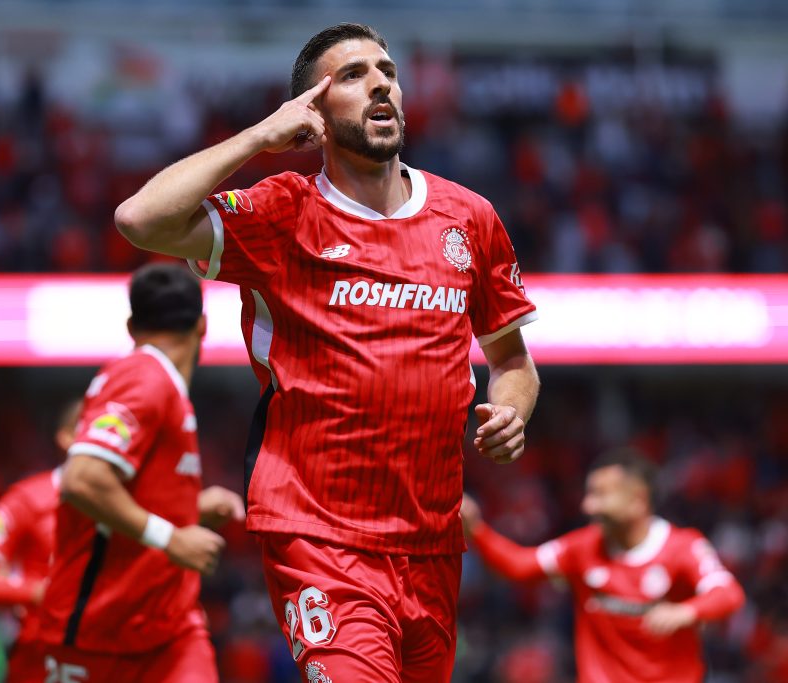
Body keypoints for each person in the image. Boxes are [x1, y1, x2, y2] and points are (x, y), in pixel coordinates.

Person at [114, 22, 539, 682]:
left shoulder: (470, 218)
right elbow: (142, 219)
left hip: (432, 541)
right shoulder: (283, 212)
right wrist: (261, 138)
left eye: (388, 72)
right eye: (352, 75)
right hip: (320, 535)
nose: (381, 84)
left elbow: (511, 360)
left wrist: (512, 409)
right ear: (311, 108)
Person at [36, 263, 245, 683]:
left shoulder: (161, 385)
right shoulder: (142, 377)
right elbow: (83, 479)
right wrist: (172, 538)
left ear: (131, 325)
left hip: (169, 630)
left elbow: (133, 494)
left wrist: (191, 509)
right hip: (102, 633)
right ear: (202, 326)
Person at [460, 449, 746, 683]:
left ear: (637, 501)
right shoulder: (583, 547)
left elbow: (729, 593)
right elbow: (520, 566)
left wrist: (685, 611)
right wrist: (477, 530)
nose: (588, 506)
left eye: (601, 495)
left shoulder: (683, 547)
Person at [0, 399, 82, 683]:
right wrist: (37, 592)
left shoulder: (133, 504)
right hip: (40, 658)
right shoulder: (28, 499)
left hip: (115, 654)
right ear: (67, 437)